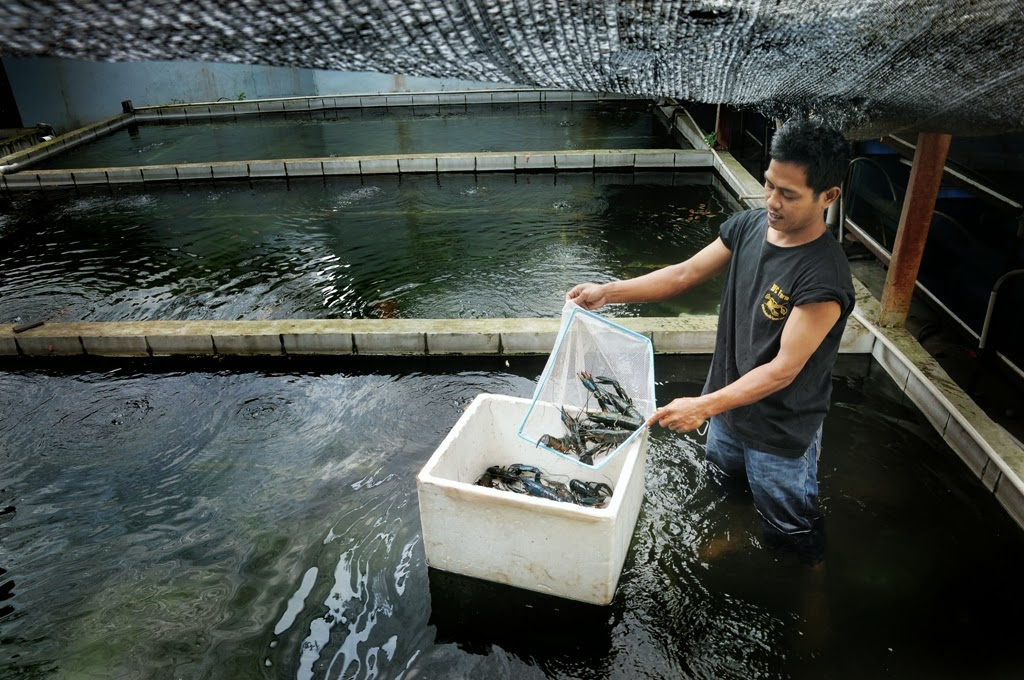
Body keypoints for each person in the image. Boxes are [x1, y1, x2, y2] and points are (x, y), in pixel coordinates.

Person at [566, 117, 855, 562]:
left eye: (788, 194)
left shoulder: (823, 275)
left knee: (792, 527)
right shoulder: (749, 227)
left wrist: (702, 407)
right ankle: (736, 533)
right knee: (726, 488)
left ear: (828, 197)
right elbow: (684, 273)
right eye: (769, 185)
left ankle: (813, 595)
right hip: (726, 411)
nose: (772, 201)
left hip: (780, 431)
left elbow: (783, 371)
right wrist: (608, 292)